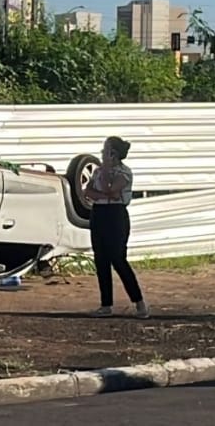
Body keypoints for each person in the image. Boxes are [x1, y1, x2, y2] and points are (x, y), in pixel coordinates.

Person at [82, 136, 149, 319]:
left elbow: (111, 190)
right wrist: (101, 190)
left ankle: (139, 302)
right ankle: (106, 304)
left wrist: (106, 171)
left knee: (118, 258)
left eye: (107, 150)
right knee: (101, 259)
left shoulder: (123, 172)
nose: (103, 153)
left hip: (116, 215)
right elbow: (88, 192)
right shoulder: (96, 171)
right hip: (99, 214)